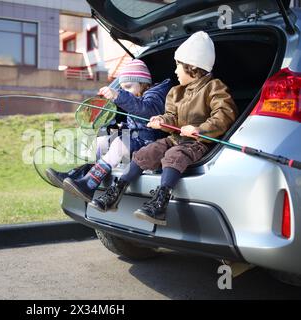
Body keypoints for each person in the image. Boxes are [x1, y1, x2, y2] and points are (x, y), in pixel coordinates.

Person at [90, 31, 238, 226]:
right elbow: (172, 117)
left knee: (173, 156)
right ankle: (116, 193)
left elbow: (224, 115)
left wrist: (199, 129)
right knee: (146, 152)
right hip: (176, 138)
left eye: (178, 65)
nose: (175, 70)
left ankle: (160, 204)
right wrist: (161, 119)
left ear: (193, 66)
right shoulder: (176, 92)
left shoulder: (214, 88)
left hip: (198, 142)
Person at [46, 59, 172, 202]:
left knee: (119, 144)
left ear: (143, 83)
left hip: (148, 144)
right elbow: (133, 120)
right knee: (101, 142)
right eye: (123, 88)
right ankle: (77, 175)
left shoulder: (154, 96)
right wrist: (119, 126)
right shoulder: (136, 95)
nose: (125, 91)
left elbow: (144, 110)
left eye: (129, 87)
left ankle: (89, 185)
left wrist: (119, 96)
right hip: (135, 138)